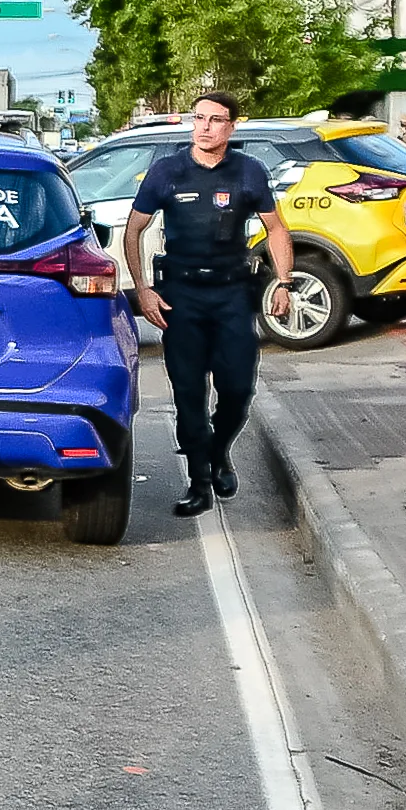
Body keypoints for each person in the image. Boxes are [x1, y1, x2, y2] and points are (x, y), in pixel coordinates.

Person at [122, 90, 296, 519]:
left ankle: (219, 452)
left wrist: (283, 282)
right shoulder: (168, 171)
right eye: (199, 118)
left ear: (231, 126)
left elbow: (276, 229)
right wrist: (143, 288)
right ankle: (199, 482)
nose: (204, 127)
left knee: (238, 389)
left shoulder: (248, 172)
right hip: (181, 297)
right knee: (188, 395)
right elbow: (133, 231)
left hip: (232, 294)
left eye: (215, 120)